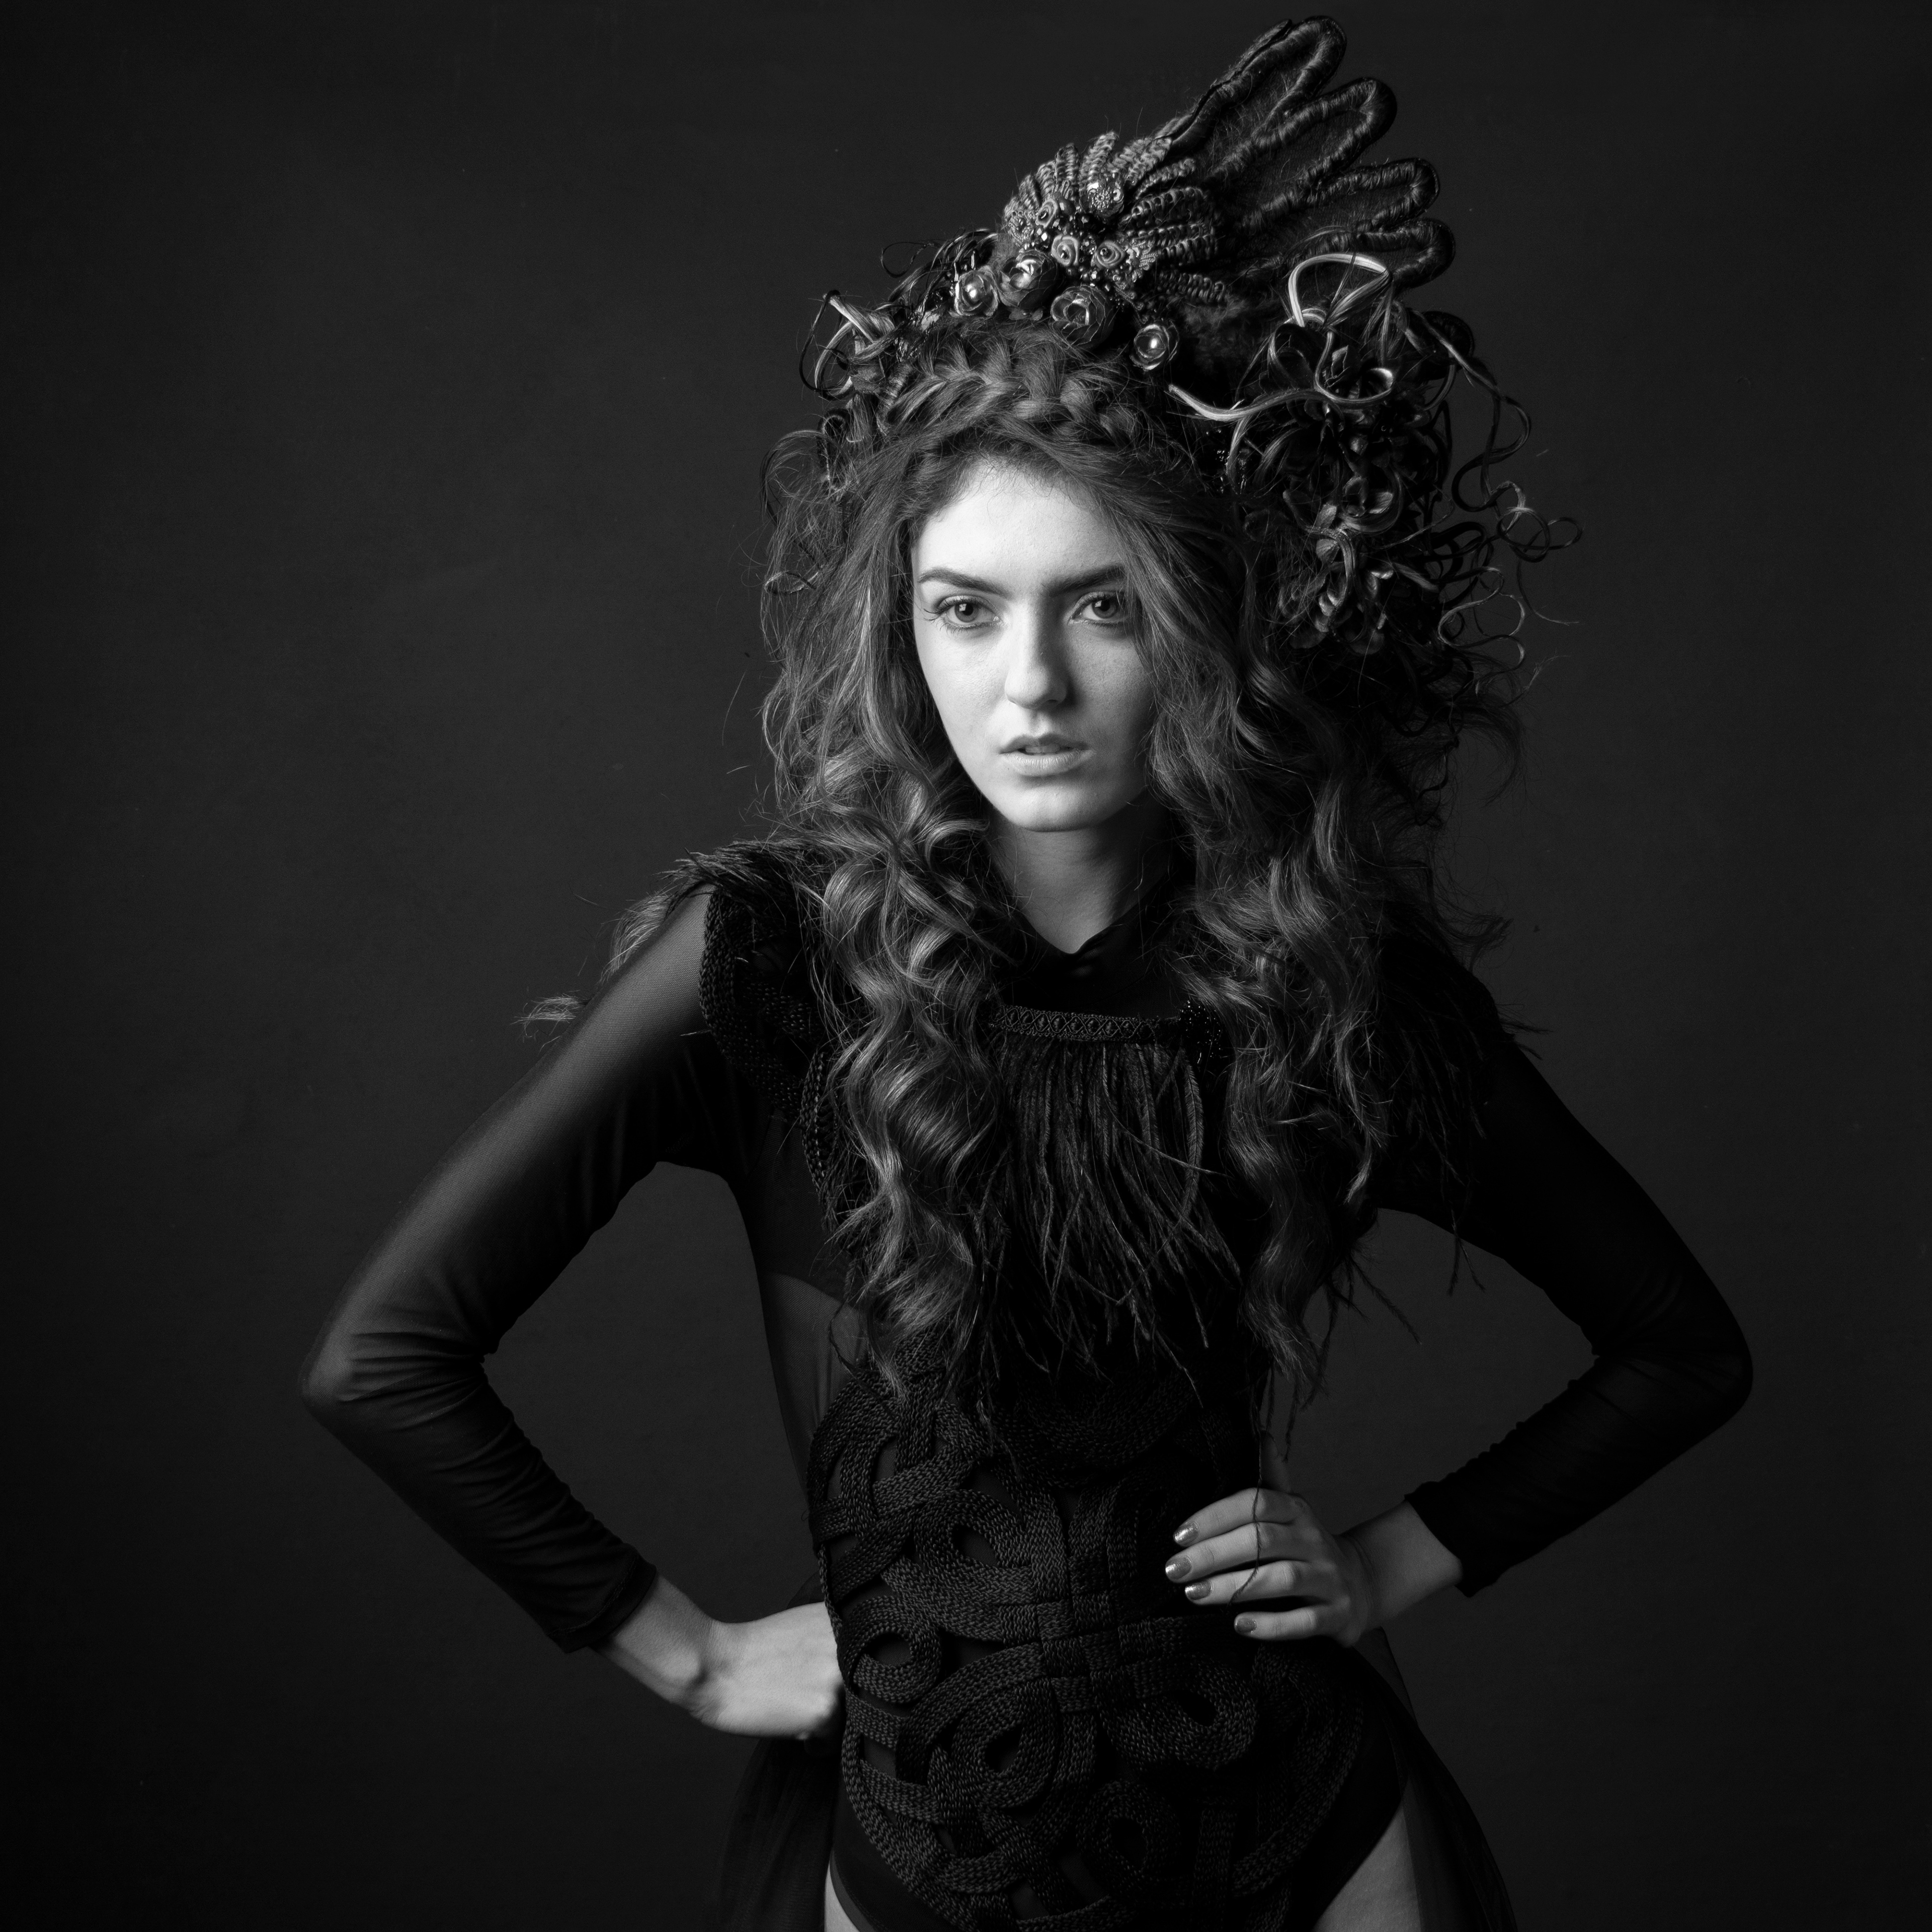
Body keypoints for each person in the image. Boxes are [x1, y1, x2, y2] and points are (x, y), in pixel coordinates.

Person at [301, 18, 1751, 1931]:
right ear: (905, 633)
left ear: (1201, 625)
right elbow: (384, 1360)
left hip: (1304, 1837)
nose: (1032, 686)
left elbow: (1679, 1347)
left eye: (1103, 607)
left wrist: (1398, 1557)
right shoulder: (770, 962)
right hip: (923, 1847)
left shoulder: (1332, 975)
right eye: (967, 611)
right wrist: (692, 1657)